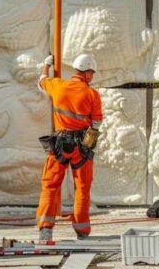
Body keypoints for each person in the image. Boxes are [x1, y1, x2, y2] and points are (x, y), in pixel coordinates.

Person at [35, 54, 103, 241]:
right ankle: (82, 230)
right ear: (88, 73)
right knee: (82, 188)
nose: (92, 77)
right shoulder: (92, 94)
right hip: (82, 146)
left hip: (59, 145)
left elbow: (41, 82)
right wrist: (88, 140)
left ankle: (45, 229)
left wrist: (46, 65)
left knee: (50, 186)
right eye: (92, 73)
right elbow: (96, 123)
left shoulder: (58, 85)